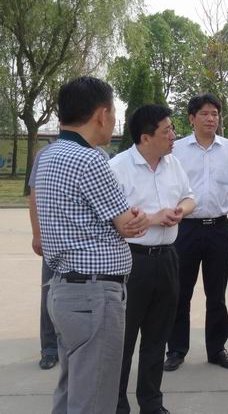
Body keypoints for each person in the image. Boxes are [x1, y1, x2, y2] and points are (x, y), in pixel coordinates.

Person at [35, 76, 149, 414]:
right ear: (102, 114)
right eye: (113, 112)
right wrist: (139, 218)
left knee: (72, 390)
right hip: (94, 295)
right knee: (95, 398)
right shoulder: (90, 159)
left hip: (64, 290)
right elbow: (126, 224)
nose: (113, 120)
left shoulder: (48, 154)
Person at [110, 105, 196, 414]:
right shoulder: (118, 168)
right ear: (145, 138)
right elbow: (115, 220)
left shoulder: (173, 163)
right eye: (167, 131)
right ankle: (117, 405)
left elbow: (189, 196)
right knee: (124, 340)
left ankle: (151, 403)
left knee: (157, 338)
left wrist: (180, 211)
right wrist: (156, 217)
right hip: (132, 262)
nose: (174, 136)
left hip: (168, 259)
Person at [165, 93, 228, 372]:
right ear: (192, 118)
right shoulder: (176, 149)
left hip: (218, 228)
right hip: (184, 229)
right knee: (180, 293)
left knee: (217, 294)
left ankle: (217, 349)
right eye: (204, 113)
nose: (211, 118)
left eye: (215, 113)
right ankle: (176, 349)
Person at [28, 146, 59, 370]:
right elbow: (35, 196)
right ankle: (49, 348)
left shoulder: (99, 155)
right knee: (50, 291)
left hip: (85, 244)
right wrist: (37, 233)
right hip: (53, 238)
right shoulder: (45, 155)